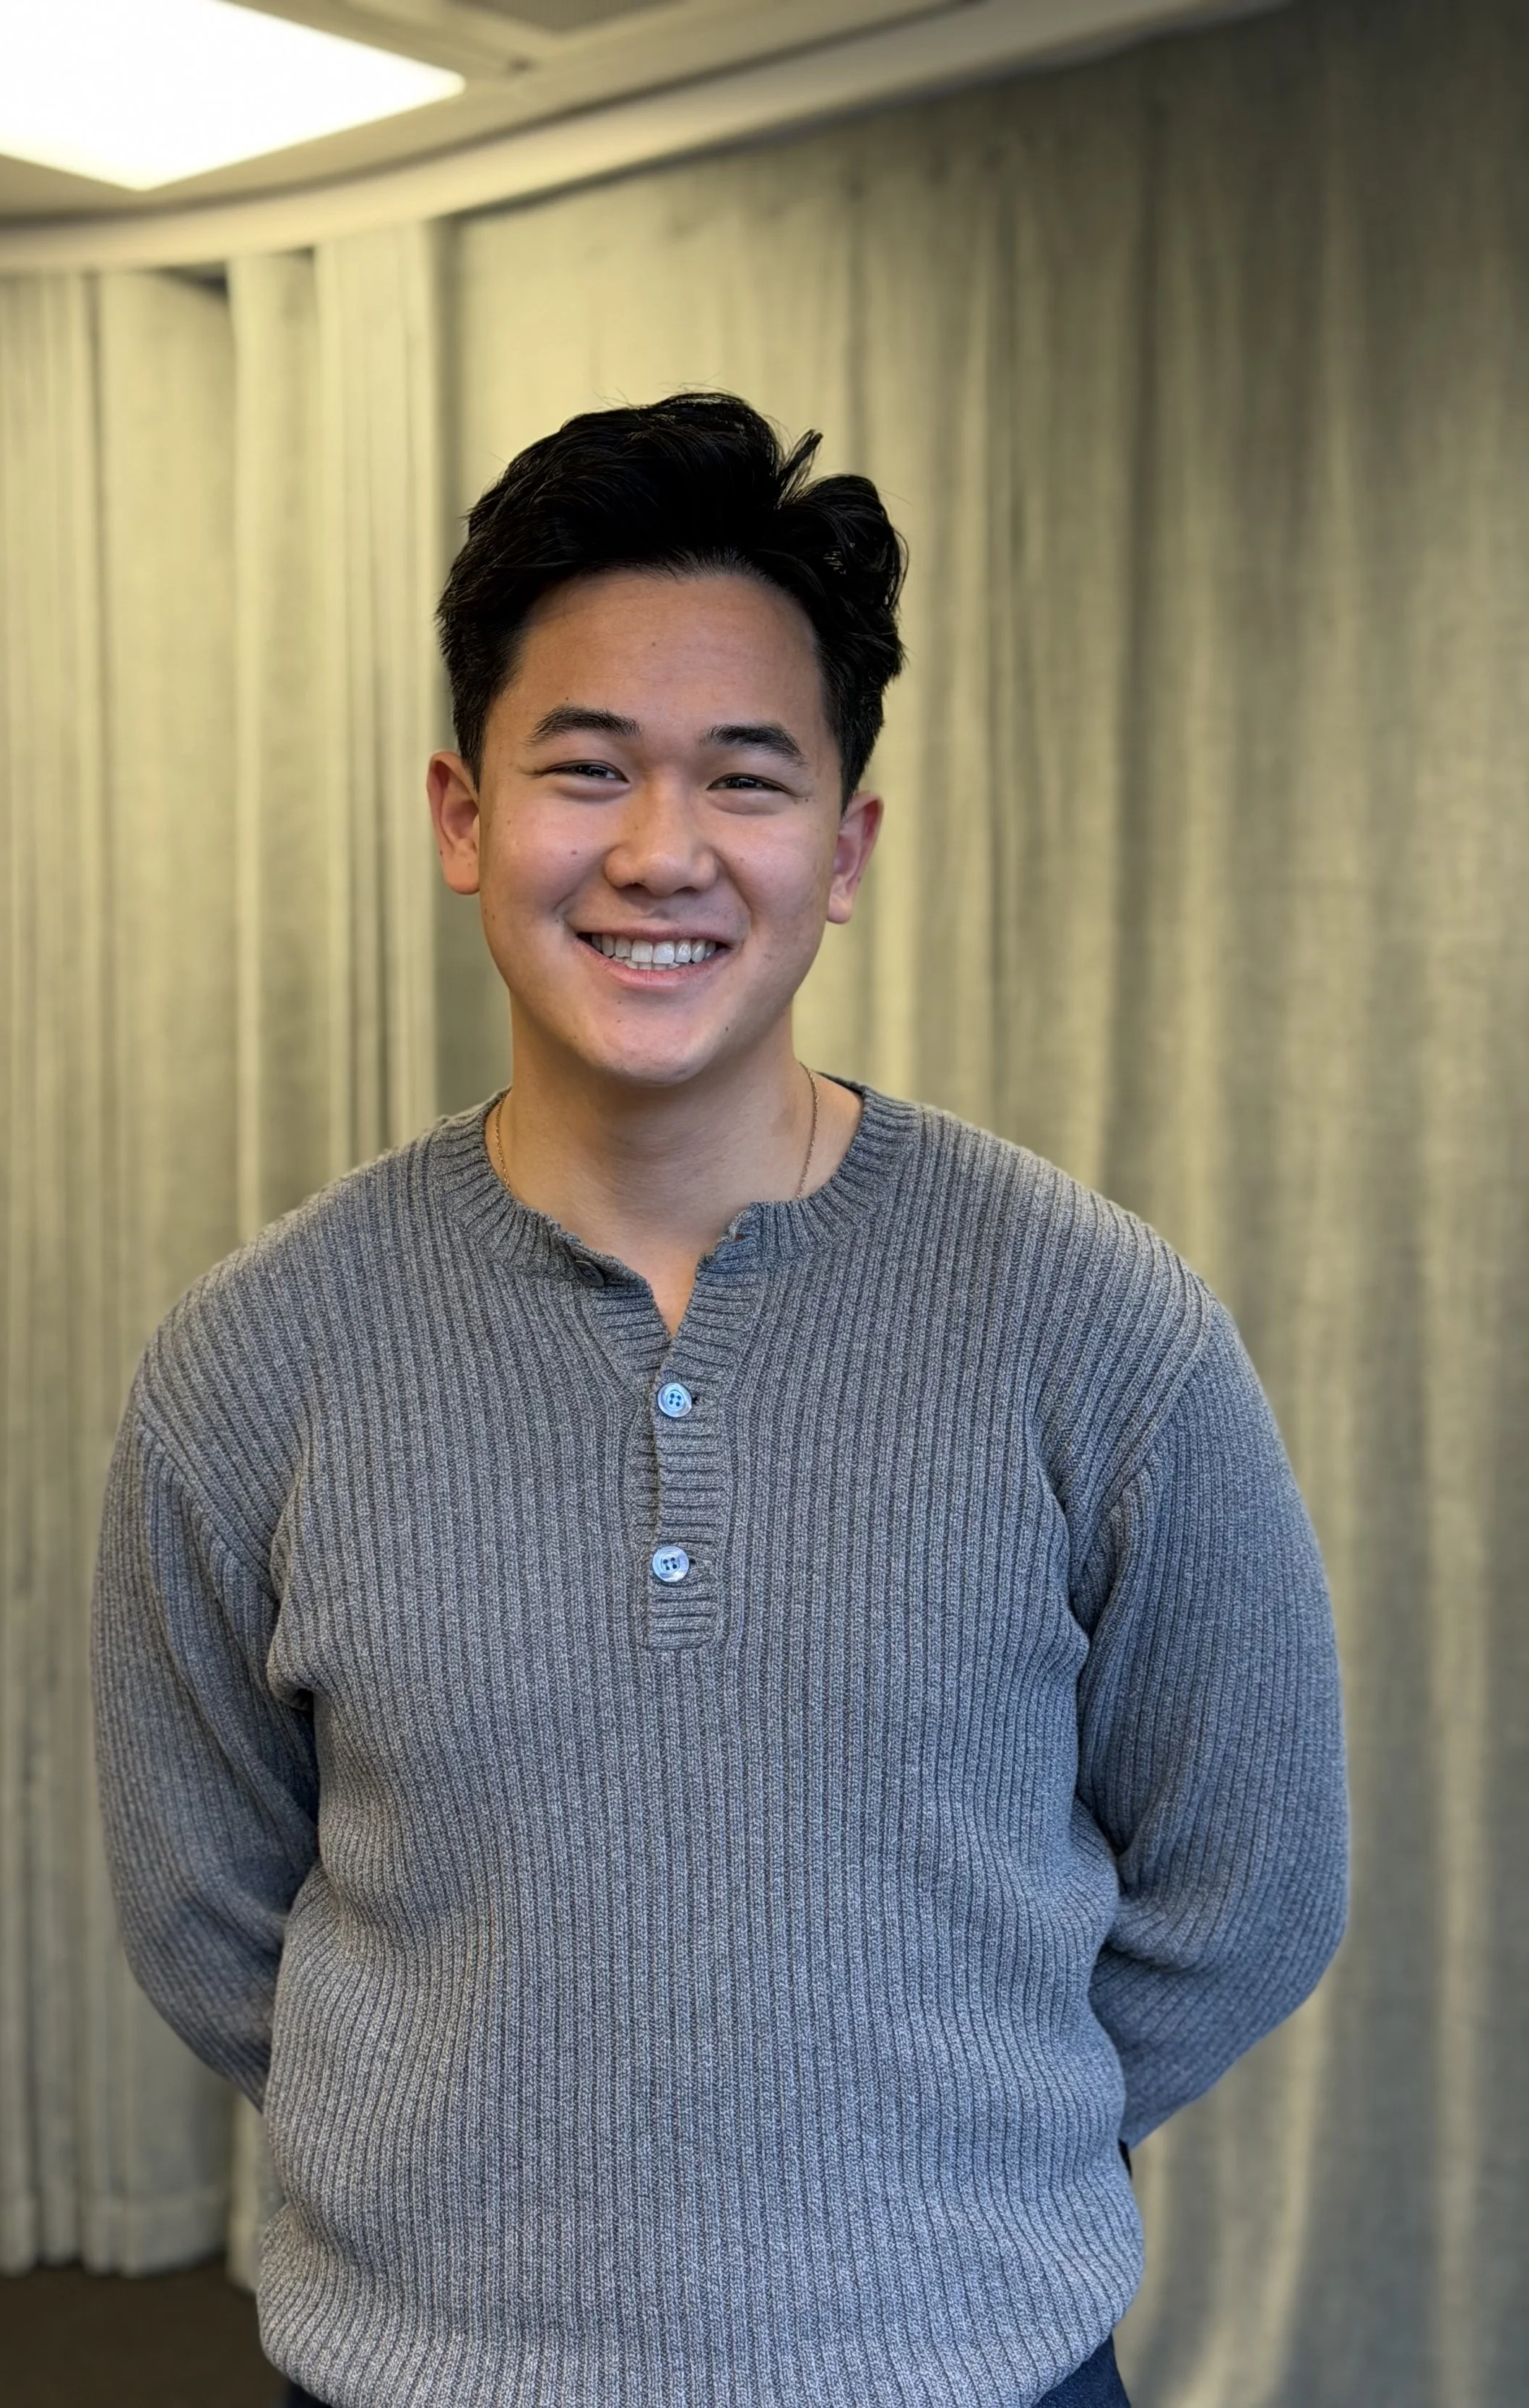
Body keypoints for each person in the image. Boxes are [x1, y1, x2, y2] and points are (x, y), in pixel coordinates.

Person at [91, 392, 1348, 2408]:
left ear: (842, 849)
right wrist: (460, 2172)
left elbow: (1251, 1875)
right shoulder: (256, 1359)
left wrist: (947, 2154)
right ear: (461, 816)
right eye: (584, 767)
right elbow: (207, 1909)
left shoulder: (1098, 1324)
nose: (659, 852)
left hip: (975, 2373)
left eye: (744, 779)